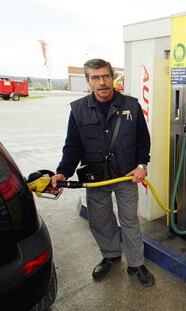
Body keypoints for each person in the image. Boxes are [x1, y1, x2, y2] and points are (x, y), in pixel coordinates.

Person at [51, 58, 154, 286]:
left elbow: (143, 141)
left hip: (125, 175)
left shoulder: (131, 105)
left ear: (112, 77)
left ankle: (136, 264)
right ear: (88, 81)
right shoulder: (78, 110)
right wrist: (62, 172)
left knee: (129, 220)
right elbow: (73, 146)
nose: (102, 82)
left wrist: (142, 166)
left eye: (106, 76)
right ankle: (110, 256)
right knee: (100, 220)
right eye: (95, 78)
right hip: (96, 178)